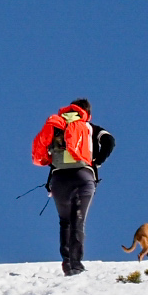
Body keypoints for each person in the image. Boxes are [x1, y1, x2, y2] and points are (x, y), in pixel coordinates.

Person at [31, 99, 115, 276]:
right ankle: (76, 265)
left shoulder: (56, 126)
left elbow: (47, 154)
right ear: (87, 113)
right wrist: (97, 162)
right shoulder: (91, 128)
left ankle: (67, 263)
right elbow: (109, 141)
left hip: (58, 179)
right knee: (78, 220)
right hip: (83, 176)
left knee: (65, 221)